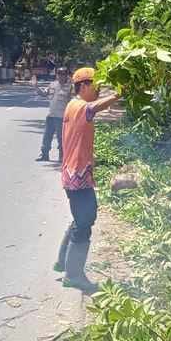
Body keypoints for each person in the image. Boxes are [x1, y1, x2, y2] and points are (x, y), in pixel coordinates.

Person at [53, 67, 119, 294]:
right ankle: (73, 275)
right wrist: (120, 94)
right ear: (83, 86)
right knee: (85, 221)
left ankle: (63, 262)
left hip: (74, 172)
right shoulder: (81, 106)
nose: (99, 89)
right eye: (96, 85)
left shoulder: (72, 104)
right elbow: (94, 108)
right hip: (77, 175)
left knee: (80, 218)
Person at [36, 67, 72, 162]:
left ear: (66, 75)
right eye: (59, 74)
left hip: (62, 117)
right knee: (47, 137)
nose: (61, 76)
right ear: (57, 75)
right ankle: (44, 154)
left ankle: (62, 156)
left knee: (61, 138)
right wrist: (35, 86)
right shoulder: (52, 85)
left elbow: (73, 101)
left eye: (63, 74)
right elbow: (44, 94)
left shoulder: (70, 87)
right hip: (51, 116)